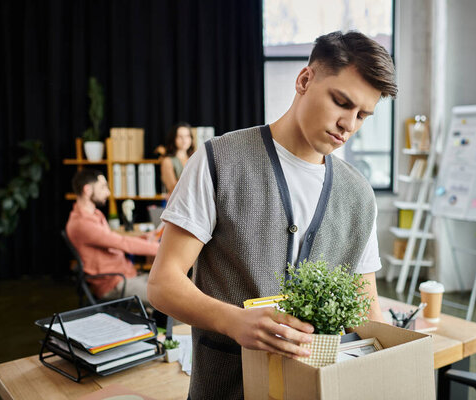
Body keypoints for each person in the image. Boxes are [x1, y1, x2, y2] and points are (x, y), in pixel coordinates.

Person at [148, 30, 397, 399]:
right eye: (342, 102)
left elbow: (367, 306)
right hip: (226, 388)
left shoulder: (358, 194)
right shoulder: (219, 161)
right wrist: (234, 322)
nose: (350, 125)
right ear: (304, 79)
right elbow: (163, 283)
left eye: (363, 115)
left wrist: (396, 359)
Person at [66, 169, 159, 305]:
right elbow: (122, 243)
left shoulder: (95, 215)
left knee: (174, 289)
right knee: (174, 302)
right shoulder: (82, 223)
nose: (108, 193)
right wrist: (159, 249)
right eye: (103, 187)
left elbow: (112, 239)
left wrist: (144, 238)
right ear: (87, 190)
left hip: (127, 276)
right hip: (115, 284)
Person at [160, 122, 195, 193]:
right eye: (180, 136)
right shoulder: (167, 161)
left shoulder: (194, 158)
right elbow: (173, 189)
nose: (184, 140)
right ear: (174, 139)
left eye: (187, 136)